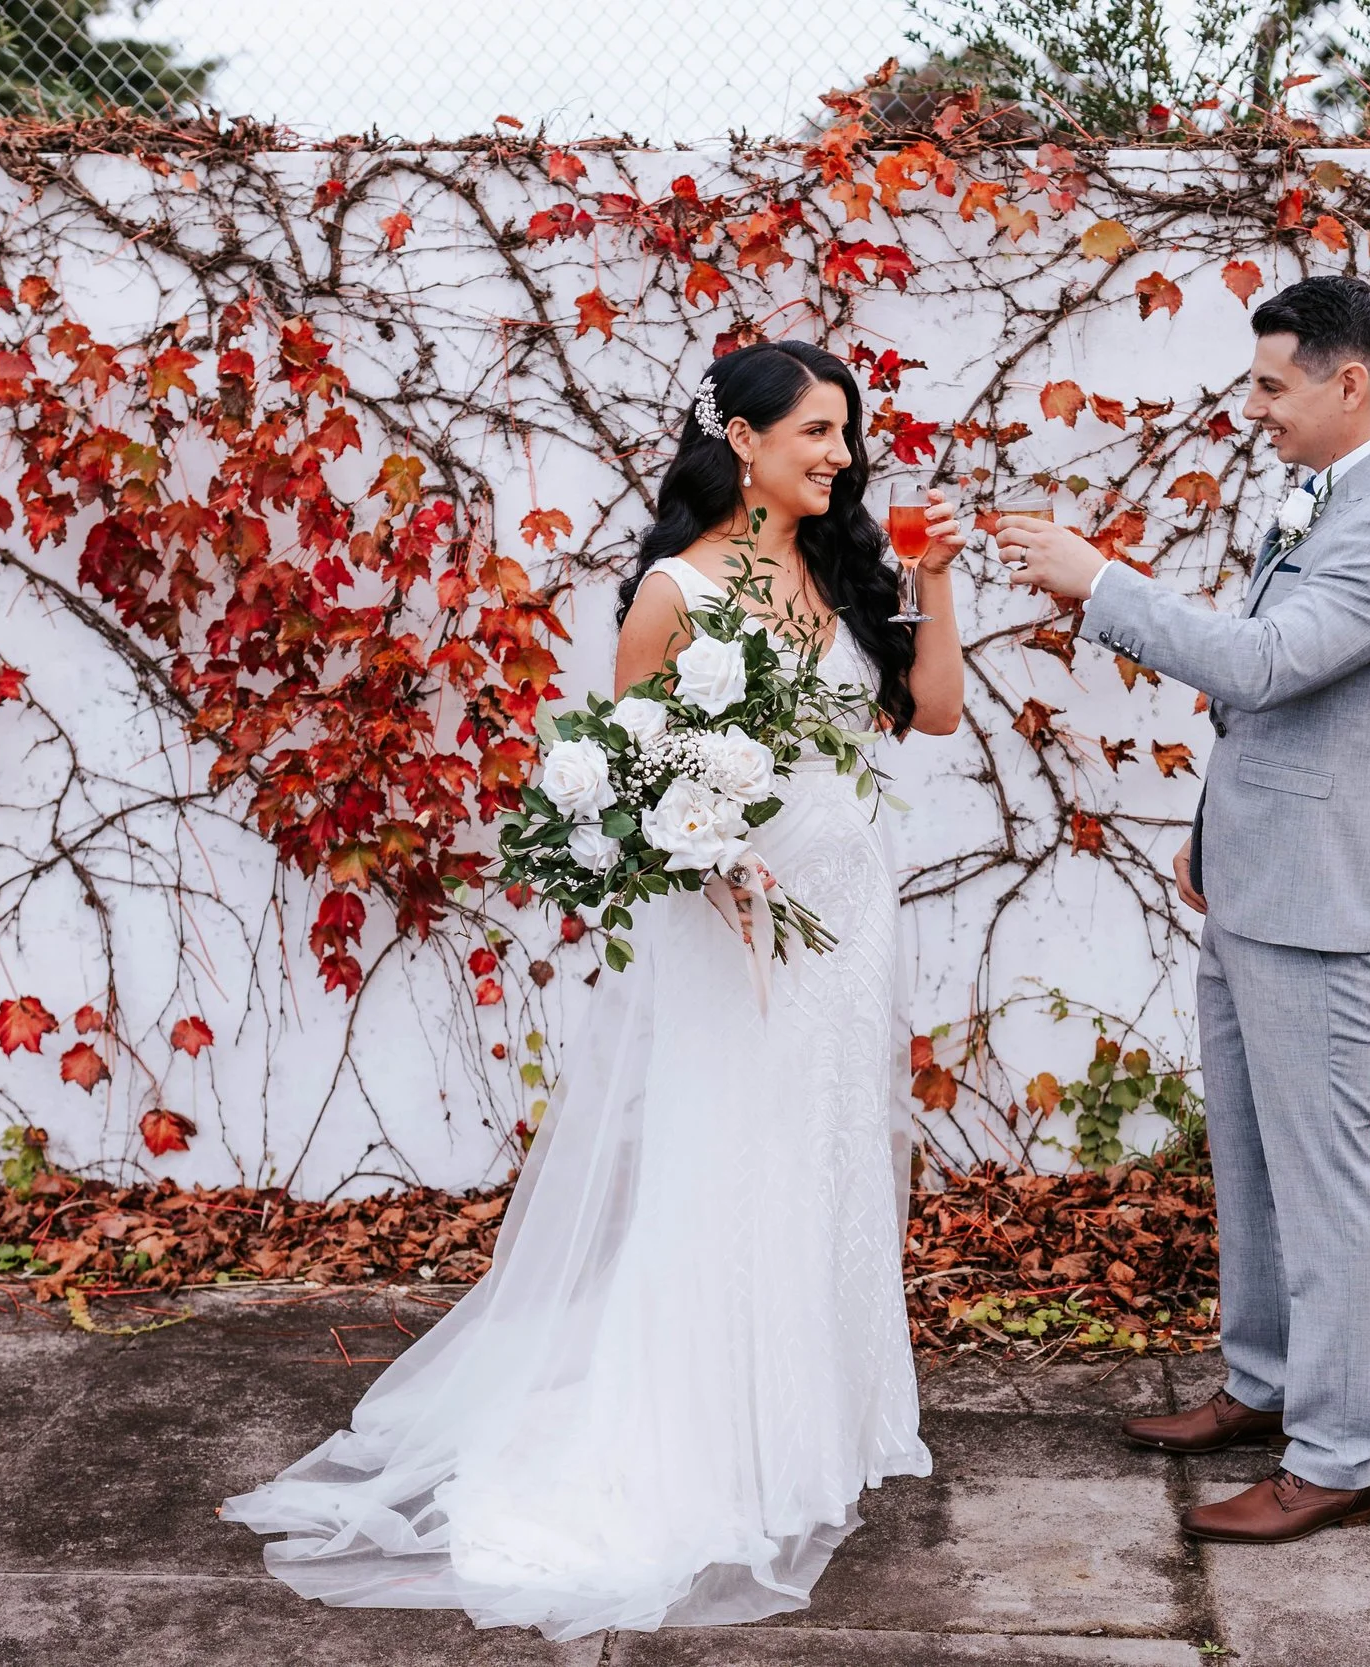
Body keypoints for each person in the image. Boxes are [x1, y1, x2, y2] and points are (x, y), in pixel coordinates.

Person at [222, 340, 967, 1637]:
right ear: (743, 438)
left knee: (826, 1165)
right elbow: (633, 790)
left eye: (848, 435)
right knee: (731, 1169)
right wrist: (718, 866)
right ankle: (706, 1445)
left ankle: (807, 1427)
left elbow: (935, 711)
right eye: (819, 434)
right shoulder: (674, 592)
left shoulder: (844, 570)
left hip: (849, 922)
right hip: (732, 935)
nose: (843, 457)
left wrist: (940, 580)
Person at [998, 275, 1370, 1546]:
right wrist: (1217, 839)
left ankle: (1336, 1454)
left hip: (1322, 897)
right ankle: (1265, 1384)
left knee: (1323, 1179)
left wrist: (1099, 581)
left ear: (1348, 382)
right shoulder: (1341, 490)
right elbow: (1284, 706)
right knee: (1251, 1153)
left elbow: (1263, 664)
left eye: (1273, 385)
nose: (1254, 408)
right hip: (1266, 873)